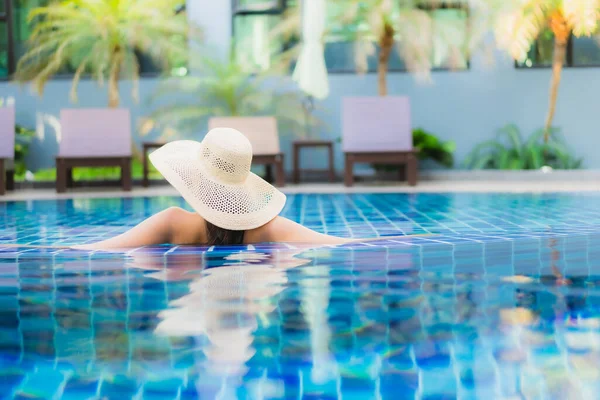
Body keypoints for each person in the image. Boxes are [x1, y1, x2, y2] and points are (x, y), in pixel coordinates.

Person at [77, 127, 350, 250]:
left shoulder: (171, 223)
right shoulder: (267, 229)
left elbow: (102, 249)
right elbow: (337, 245)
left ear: (193, 179)